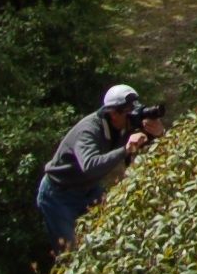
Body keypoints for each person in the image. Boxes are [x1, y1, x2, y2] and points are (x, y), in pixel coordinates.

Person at [36, 85, 150, 254]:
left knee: (113, 232)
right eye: (128, 112)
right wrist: (126, 149)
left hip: (88, 189)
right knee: (72, 252)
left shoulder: (121, 125)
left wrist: (156, 132)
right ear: (113, 113)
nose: (132, 117)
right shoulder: (89, 131)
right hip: (58, 195)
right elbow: (90, 165)